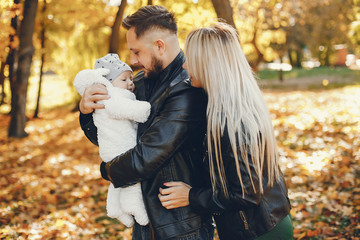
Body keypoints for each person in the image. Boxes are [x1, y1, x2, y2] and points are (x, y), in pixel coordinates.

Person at [78, 5, 214, 240]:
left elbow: (146, 157)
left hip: (179, 224)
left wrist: (105, 171)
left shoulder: (186, 89)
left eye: (136, 52)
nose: (132, 60)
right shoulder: (137, 82)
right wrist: (87, 112)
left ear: (160, 46)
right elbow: (111, 136)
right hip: (145, 218)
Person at [158, 22, 293, 240]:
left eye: (191, 59)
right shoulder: (223, 106)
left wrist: (191, 196)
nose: (185, 66)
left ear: (209, 64)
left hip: (259, 231)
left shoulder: (234, 121)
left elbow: (246, 194)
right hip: (255, 226)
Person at [74, 53, 150, 227]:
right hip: (121, 149)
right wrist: (145, 110)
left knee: (117, 183)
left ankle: (115, 208)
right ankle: (134, 206)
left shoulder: (124, 90)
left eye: (137, 52)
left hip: (113, 150)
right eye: (124, 79)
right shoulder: (112, 98)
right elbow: (127, 110)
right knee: (131, 183)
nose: (130, 83)